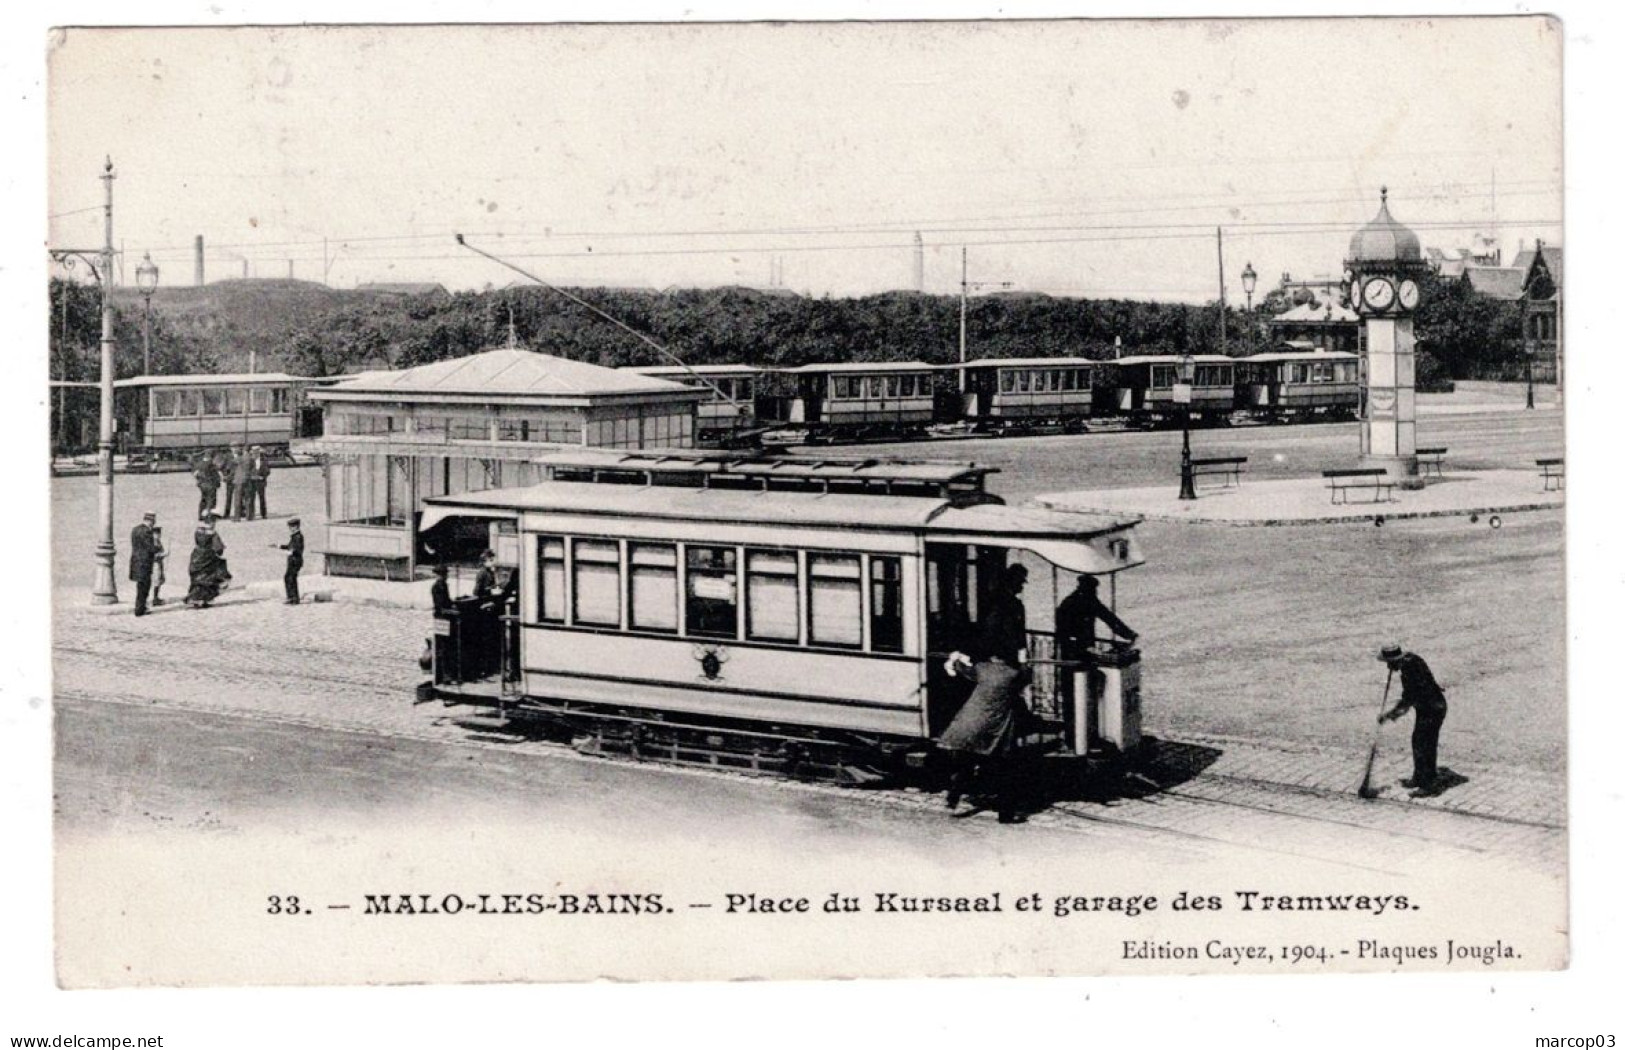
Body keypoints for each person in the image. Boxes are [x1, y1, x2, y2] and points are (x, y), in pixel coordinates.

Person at [937, 563, 1031, 824]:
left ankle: (953, 800)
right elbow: (1024, 674)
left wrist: (956, 658)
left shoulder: (982, 670)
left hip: (971, 725)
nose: (1022, 586)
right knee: (1005, 769)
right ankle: (1006, 814)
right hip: (996, 730)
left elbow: (962, 667)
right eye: (1020, 581)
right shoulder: (1012, 675)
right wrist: (1022, 664)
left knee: (967, 760)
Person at [1377, 643, 1449, 793]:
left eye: (1389, 664)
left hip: (1432, 709)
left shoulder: (1410, 670)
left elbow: (1408, 699)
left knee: (1424, 744)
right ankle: (1420, 776)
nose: (1388, 668)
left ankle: (1428, 785)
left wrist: (1389, 715)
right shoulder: (1411, 661)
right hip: (1428, 707)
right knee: (1419, 742)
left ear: (1395, 660)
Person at [185, 523, 229, 608]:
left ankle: (195, 599)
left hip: (196, 556)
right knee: (209, 578)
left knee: (197, 579)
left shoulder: (198, 532)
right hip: (209, 557)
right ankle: (204, 599)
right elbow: (219, 548)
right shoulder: (213, 533)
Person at [128, 512, 158, 616]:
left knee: (140, 586)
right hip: (144, 563)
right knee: (144, 587)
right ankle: (140, 609)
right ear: (151, 521)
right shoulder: (147, 531)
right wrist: (158, 549)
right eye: (153, 522)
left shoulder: (135, 529)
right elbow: (150, 547)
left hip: (136, 561)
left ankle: (140, 607)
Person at [278, 518, 304, 605]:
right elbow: (289, 546)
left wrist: (290, 552)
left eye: (291, 527)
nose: (290, 529)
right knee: (289, 577)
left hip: (295, 561)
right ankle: (291, 597)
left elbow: (298, 549)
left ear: (296, 527)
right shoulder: (294, 536)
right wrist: (279, 546)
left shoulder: (298, 537)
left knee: (290, 578)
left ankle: (294, 598)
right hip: (292, 560)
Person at [232, 446, 257, 521]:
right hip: (248, 480)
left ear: (243, 450)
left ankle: (237, 517)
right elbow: (253, 469)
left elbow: (232, 464)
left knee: (238, 499)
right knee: (248, 498)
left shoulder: (239, 458)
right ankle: (249, 516)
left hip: (238, 480)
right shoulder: (251, 459)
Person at [193, 453, 220, 519]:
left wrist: (199, 481)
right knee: (211, 501)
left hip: (202, 485)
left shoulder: (198, 464)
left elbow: (195, 474)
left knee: (203, 500)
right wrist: (218, 483)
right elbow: (215, 475)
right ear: (210, 457)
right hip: (210, 485)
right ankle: (209, 516)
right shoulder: (211, 465)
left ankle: (200, 515)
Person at [251, 447, 273, 519]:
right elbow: (247, 469)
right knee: (251, 498)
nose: (255, 453)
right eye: (254, 452)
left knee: (262, 498)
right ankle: (252, 513)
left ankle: (263, 513)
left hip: (261, 482)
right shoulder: (251, 460)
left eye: (256, 452)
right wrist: (252, 476)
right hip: (252, 482)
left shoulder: (264, 460)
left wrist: (263, 476)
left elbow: (268, 470)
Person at [219, 447, 241, 521]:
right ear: (231, 449)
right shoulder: (227, 456)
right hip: (230, 480)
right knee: (229, 497)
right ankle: (227, 513)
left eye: (236, 447)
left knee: (240, 496)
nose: (235, 449)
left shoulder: (241, 455)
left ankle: (240, 512)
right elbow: (221, 467)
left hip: (239, 479)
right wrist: (225, 475)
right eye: (233, 447)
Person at [150, 526, 168, 607]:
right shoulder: (153, 542)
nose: (158, 535)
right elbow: (153, 555)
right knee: (156, 580)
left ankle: (156, 597)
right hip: (155, 564)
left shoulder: (158, 542)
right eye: (157, 534)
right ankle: (155, 598)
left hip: (159, 563)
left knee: (159, 579)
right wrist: (163, 554)